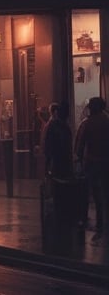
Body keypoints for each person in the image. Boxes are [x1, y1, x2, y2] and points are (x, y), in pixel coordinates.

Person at [74, 96, 109, 241]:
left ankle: (93, 221)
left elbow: (80, 145)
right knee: (105, 191)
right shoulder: (107, 121)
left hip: (92, 162)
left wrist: (79, 159)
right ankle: (104, 220)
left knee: (91, 192)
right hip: (106, 161)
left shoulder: (88, 123)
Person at [41, 102, 73, 179]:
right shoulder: (65, 126)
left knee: (55, 177)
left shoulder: (52, 125)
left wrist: (47, 155)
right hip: (64, 156)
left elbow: (47, 141)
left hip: (55, 156)